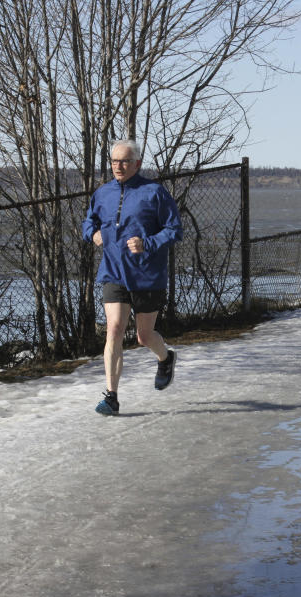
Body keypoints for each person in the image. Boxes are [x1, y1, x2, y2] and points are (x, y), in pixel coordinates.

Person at [82, 139, 183, 416]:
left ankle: (165, 358)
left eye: (125, 161)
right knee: (113, 329)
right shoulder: (102, 194)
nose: (119, 166)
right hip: (114, 272)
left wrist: (147, 243)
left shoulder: (154, 193)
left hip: (147, 275)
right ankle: (111, 396)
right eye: (114, 161)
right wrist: (93, 233)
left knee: (143, 336)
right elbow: (89, 221)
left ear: (137, 163)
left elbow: (174, 230)